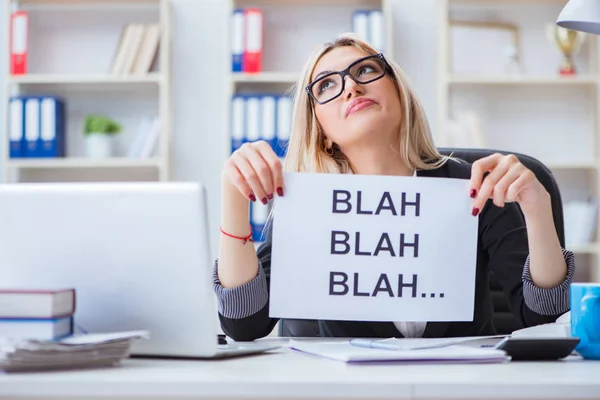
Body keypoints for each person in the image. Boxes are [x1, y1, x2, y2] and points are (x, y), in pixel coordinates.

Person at [213, 33, 575, 341]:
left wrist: (538, 208)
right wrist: (233, 199)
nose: (351, 87)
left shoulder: (475, 187)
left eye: (365, 70)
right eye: (326, 85)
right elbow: (245, 324)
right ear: (321, 133)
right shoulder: (307, 202)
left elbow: (545, 317)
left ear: (398, 92)